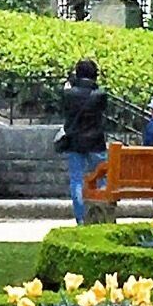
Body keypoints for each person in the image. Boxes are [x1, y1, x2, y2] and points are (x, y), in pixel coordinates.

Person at [55, 56, 110, 224]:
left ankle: (80, 218)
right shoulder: (100, 95)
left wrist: (71, 83)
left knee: (76, 180)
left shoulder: (68, 94)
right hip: (96, 143)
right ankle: (101, 214)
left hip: (75, 141)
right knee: (102, 179)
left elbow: (64, 107)